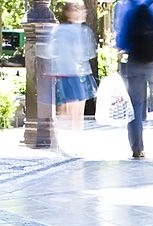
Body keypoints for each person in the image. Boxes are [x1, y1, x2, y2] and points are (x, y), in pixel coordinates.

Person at [115, 0, 153, 159]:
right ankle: (143, 123)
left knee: (135, 104)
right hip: (149, 60)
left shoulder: (125, 4)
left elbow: (120, 37)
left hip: (132, 60)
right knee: (143, 103)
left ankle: (137, 146)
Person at [50, 1, 98, 132]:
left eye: (82, 9)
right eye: (77, 9)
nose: (82, 12)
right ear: (68, 13)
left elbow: (51, 51)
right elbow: (89, 53)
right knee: (76, 109)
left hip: (64, 72)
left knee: (67, 109)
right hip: (77, 73)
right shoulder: (82, 31)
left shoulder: (59, 30)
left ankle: (67, 136)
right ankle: (74, 136)